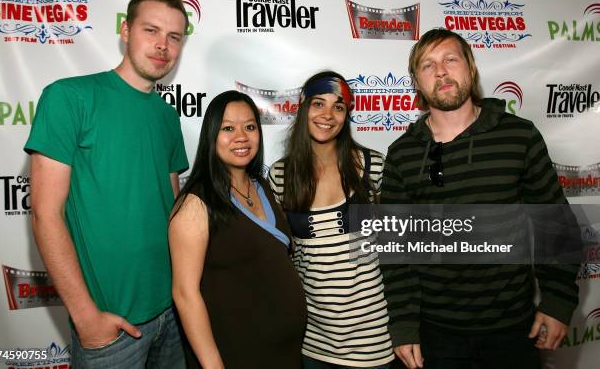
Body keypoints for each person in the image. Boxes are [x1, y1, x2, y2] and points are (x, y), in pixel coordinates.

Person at [380, 28, 580, 369]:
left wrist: (558, 301)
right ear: (417, 83)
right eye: (428, 66)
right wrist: (403, 324)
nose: (440, 71)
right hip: (435, 337)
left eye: (450, 59)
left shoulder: (519, 136)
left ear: (471, 68)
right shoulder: (401, 154)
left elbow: (554, 223)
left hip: (513, 332)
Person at [25, 0, 189, 368]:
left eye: (174, 37)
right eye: (151, 30)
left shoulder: (167, 117)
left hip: (174, 313)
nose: (162, 45)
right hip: (112, 327)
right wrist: (86, 318)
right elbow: (46, 215)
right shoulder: (69, 98)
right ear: (125, 30)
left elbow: (172, 212)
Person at [169, 91, 306, 369]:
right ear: (211, 136)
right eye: (228, 128)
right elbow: (185, 294)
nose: (241, 136)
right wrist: (212, 364)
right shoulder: (196, 203)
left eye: (250, 127)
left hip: (285, 354)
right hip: (236, 354)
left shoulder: (261, 186)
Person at [269, 71, 395, 368]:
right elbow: (283, 257)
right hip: (313, 342)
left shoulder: (373, 166)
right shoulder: (280, 175)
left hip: (372, 342)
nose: (328, 115)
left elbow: (396, 248)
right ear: (303, 108)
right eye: (318, 104)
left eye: (338, 106)